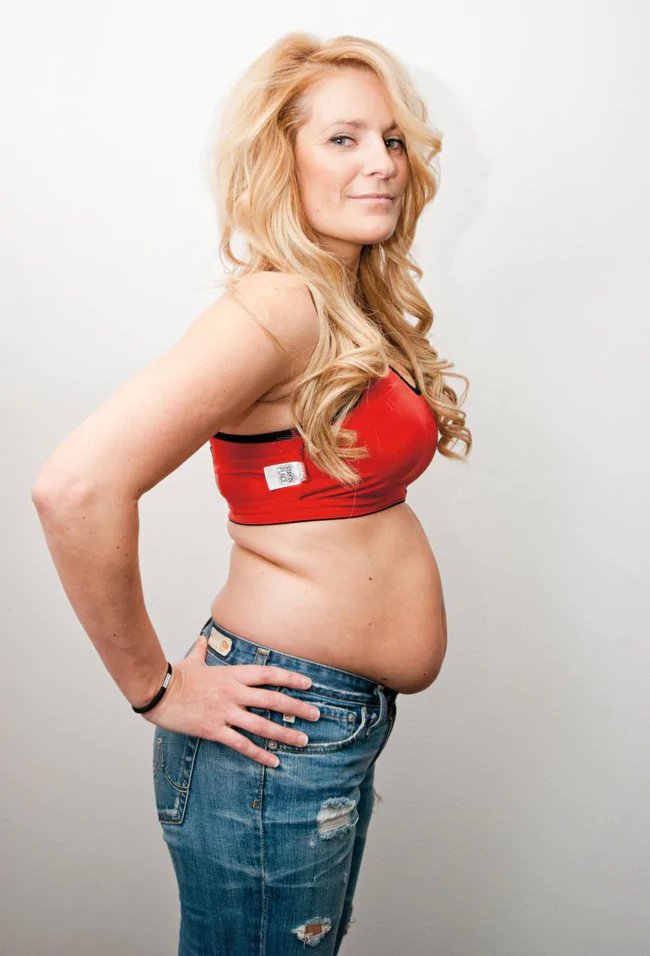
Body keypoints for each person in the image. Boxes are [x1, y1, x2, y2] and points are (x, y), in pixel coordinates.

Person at [32, 31, 471, 956]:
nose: (383, 164)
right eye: (344, 138)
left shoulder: (345, 304)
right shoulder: (280, 306)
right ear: (282, 159)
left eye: (392, 139)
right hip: (280, 730)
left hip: (323, 721)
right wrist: (153, 689)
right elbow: (76, 487)